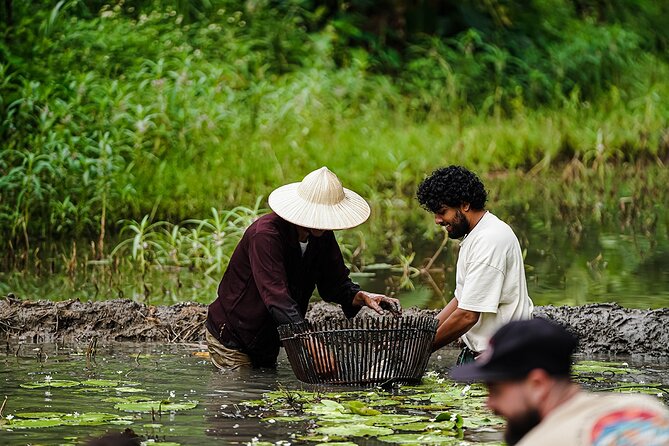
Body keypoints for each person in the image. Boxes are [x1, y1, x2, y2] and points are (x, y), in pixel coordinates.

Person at [206, 166, 401, 369]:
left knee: (263, 391)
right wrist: (311, 344)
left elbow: (334, 284)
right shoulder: (265, 236)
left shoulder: (321, 235)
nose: (325, 224)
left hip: (268, 337)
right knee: (241, 393)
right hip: (233, 334)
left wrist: (361, 296)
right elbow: (277, 298)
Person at [450, 318, 669, 445]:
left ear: (538, 385)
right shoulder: (645, 406)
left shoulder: (542, 442)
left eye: (496, 391)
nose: (489, 404)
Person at [416, 165, 534, 363]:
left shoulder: (489, 240)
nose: (437, 220)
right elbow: (460, 300)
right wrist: (420, 336)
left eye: (442, 212)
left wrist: (419, 350)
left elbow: (467, 315)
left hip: (505, 360)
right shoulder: (477, 235)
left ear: (464, 205)